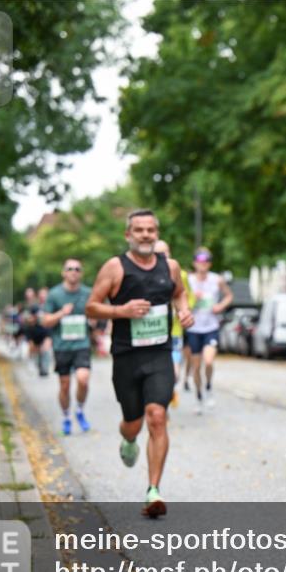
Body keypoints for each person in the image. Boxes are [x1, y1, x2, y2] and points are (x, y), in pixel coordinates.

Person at [86, 209, 193, 518]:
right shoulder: (115, 268)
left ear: (156, 233)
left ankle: (153, 490)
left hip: (160, 354)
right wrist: (122, 311)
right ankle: (129, 437)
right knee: (133, 421)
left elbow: (180, 294)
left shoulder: (169, 267)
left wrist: (184, 312)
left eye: (150, 230)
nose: (145, 235)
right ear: (128, 235)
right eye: (139, 230)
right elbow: (91, 307)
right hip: (126, 357)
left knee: (157, 416)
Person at [42, 258, 93, 436]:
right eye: (70, 268)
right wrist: (61, 313)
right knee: (64, 386)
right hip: (62, 346)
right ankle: (66, 417)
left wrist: (94, 319)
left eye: (77, 269)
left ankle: (79, 409)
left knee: (83, 379)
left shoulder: (88, 293)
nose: (73, 271)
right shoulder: (55, 294)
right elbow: (46, 321)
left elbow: (97, 314)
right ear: (63, 272)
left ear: (81, 273)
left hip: (82, 344)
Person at [184, 248, 232, 413]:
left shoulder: (217, 279)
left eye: (205, 262)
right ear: (194, 263)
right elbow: (181, 303)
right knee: (196, 367)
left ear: (209, 264)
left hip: (211, 326)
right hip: (194, 328)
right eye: (199, 262)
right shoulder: (188, 280)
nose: (202, 265)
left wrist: (220, 306)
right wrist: (192, 300)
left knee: (209, 361)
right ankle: (198, 397)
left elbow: (229, 296)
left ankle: (209, 387)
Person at [153, 240, 192, 407]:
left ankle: (168, 393)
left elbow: (186, 296)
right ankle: (159, 402)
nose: (163, 256)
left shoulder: (179, 274)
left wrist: (183, 311)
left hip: (174, 332)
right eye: (158, 253)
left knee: (174, 374)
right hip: (153, 333)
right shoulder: (144, 274)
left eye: (165, 252)